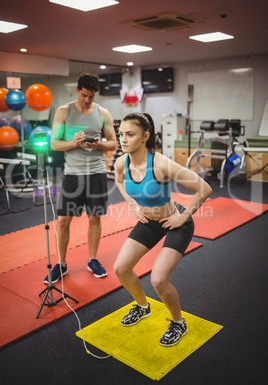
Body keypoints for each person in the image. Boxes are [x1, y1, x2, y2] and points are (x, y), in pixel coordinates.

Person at [113, 112, 212, 347]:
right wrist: (132, 203)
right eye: (121, 134)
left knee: (158, 280)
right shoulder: (121, 162)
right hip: (149, 222)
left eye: (130, 134)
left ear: (145, 136)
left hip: (175, 222)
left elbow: (204, 188)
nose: (123, 140)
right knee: (120, 268)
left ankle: (178, 322)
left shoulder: (161, 163)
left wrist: (184, 217)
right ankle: (142, 306)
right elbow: (118, 179)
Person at [44, 72, 117, 284]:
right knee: (63, 221)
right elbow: (54, 144)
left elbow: (113, 143)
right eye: (84, 95)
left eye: (91, 97)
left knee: (94, 218)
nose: (87, 100)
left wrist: (98, 144)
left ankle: (92, 260)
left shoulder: (103, 113)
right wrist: (74, 143)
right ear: (77, 90)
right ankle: (61, 264)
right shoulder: (63, 112)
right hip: (72, 174)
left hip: (96, 172)